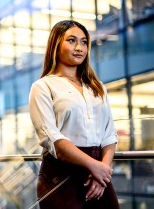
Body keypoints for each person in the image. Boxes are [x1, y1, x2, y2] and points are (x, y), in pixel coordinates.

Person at [28, 20, 119, 209]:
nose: (79, 48)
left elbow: (109, 134)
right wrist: (95, 167)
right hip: (60, 176)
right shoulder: (43, 87)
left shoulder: (97, 87)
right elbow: (52, 139)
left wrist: (102, 171)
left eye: (84, 42)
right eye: (71, 40)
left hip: (97, 172)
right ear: (55, 45)